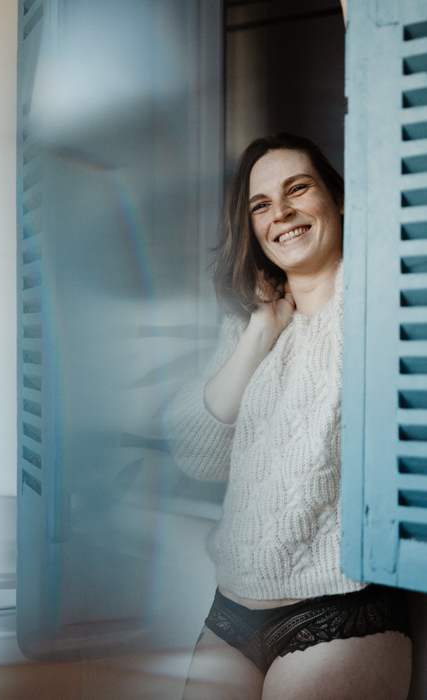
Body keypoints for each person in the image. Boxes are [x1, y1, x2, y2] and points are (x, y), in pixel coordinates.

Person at [171, 134, 412, 700]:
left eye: (297, 189)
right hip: (232, 609)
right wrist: (261, 328)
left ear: (340, 198)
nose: (280, 213)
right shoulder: (248, 327)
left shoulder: (378, 299)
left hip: (340, 610)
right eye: (260, 205)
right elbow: (197, 453)